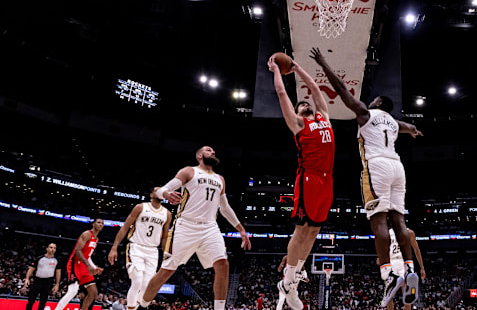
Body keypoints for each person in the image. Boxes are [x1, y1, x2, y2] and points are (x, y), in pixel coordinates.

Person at [310, 47, 423, 307]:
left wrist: (324, 63)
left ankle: (388, 275)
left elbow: (342, 91)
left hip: (377, 167)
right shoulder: (394, 123)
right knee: (399, 220)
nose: (370, 102)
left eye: (374, 100)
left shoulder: (366, 113)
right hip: (398, 167)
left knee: (378, 220)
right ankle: (408, 268)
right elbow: (409, 127)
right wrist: (414, 131)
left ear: (379, 103)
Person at [137, 146, 252, 310]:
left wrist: (241, 229)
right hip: (185, 226)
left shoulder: (220, 179)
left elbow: (225, 208)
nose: (212, 152)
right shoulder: (189, 171)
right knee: (166, 271)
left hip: (210, 227)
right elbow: (163, 189)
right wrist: (167, 194)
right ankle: (143, 305)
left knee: (223, 264)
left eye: (213, 151)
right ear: (199, 156)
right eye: (208, 150)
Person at [268, 53, 335, 310]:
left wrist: (296, 68)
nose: (305, 104)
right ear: (297, 112)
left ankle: (293, 280)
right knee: (302, 229)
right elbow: (283, 95)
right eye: (301, 105)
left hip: (327, 181)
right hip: (309, 179)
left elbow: (316, 89)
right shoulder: (297, 124)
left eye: (307, 104)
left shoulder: (324, 118)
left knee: (314, 231)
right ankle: (288, 280)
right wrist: (276, 70)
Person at [108, 187, 172, 310]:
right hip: (136, 247)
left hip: (153, 251)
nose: (159, 192)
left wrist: (165, 255)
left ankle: (134, 307)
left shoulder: (167, 214)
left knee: (147, 286)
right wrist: (114, 247)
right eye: (156, 190)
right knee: (137, 280)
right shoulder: (141, 207)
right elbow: (125, 227)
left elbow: (164, 237)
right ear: (151, 194)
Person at [56, 218, 105, 310]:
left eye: (102, 223)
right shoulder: (86, 234)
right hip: (75, 263)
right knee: (73, 291)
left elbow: (88, 256)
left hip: (84, 265)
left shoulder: (96, 239)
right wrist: (88, 265)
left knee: (93, 292)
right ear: (93, 224)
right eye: (98, 222)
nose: (100, 224)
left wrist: (94, 267)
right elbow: (77, 251)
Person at [381, 227, 426, 310]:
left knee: (406, 293)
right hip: (392, 264)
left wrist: (422, 268)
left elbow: (416, 250)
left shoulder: (409, 233)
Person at [24, 242, 62, 310]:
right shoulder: (40, 258)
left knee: (43, 302)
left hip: (48, 282)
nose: (52, 249)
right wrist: (27, 278)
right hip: (37, 281)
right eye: (51, 247)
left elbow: (58, 273)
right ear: (47, 249)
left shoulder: (57, 260)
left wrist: (57, 284)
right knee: (31, 300)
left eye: (54, 248)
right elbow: (31, 269)